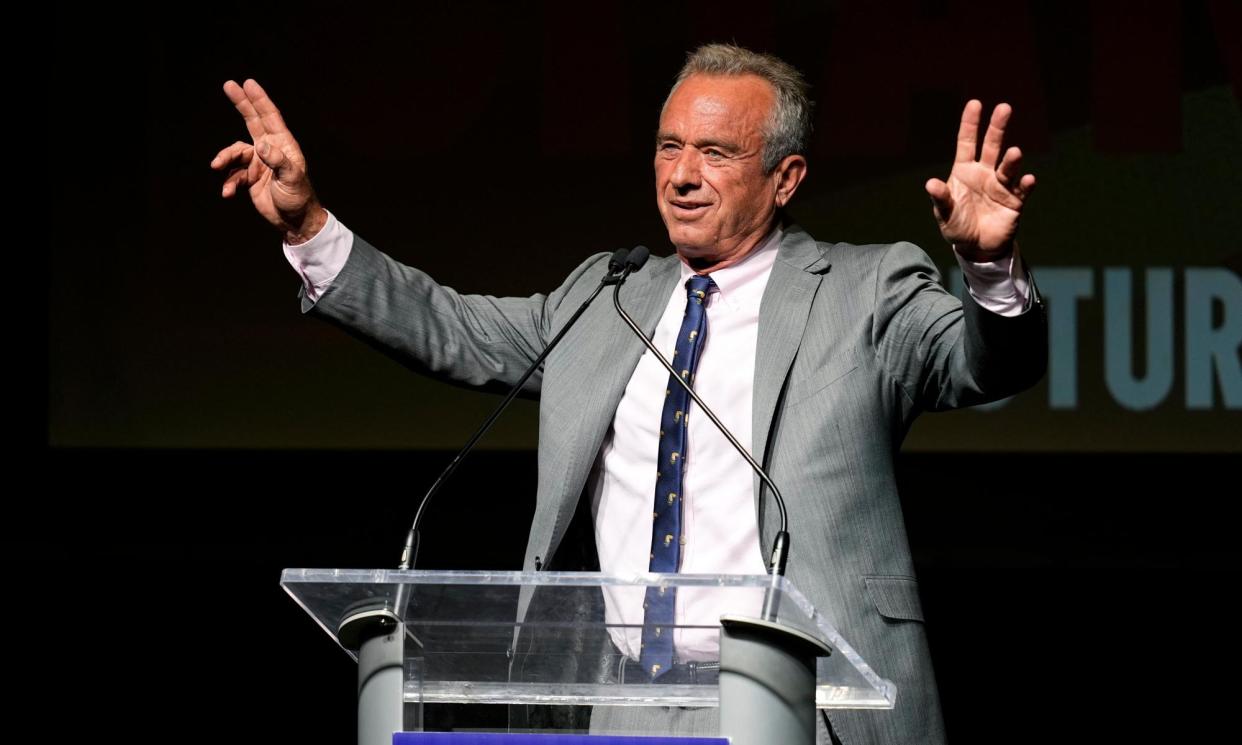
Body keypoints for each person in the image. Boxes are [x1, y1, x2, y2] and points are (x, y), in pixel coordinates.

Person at [213, 44, 1045, 745]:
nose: (682, 175)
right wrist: (308, 226)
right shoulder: (604, 297)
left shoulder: (866, 289)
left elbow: (981, 362)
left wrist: (989, 270)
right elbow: (454, 329)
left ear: (785, 178)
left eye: (715, 153)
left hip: (812, 699)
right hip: (629, 705)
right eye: (668, 146)